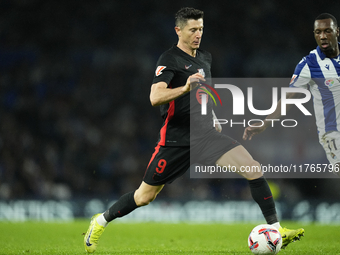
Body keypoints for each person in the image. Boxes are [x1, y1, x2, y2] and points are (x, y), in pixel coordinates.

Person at [84, 7, 304, 253]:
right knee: (144, 197)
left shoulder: (204, 58)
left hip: (207, 136)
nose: (198, 34)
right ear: (178, 30)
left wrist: (211, 115)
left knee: (253, 169)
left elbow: (203, 94)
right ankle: (100, 221)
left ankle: (276, 229)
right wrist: (184, 88)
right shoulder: (169, 60)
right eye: (193, 30)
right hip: (177, 139)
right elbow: (155, 97)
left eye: (201, 29)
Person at [243, 13, 340, 176]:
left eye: (327, 31)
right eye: (318, 32)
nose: (322, 36)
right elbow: (288, 97)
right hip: (332, 132)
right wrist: (266, 123)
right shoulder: (309, 64)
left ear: (337, 32)